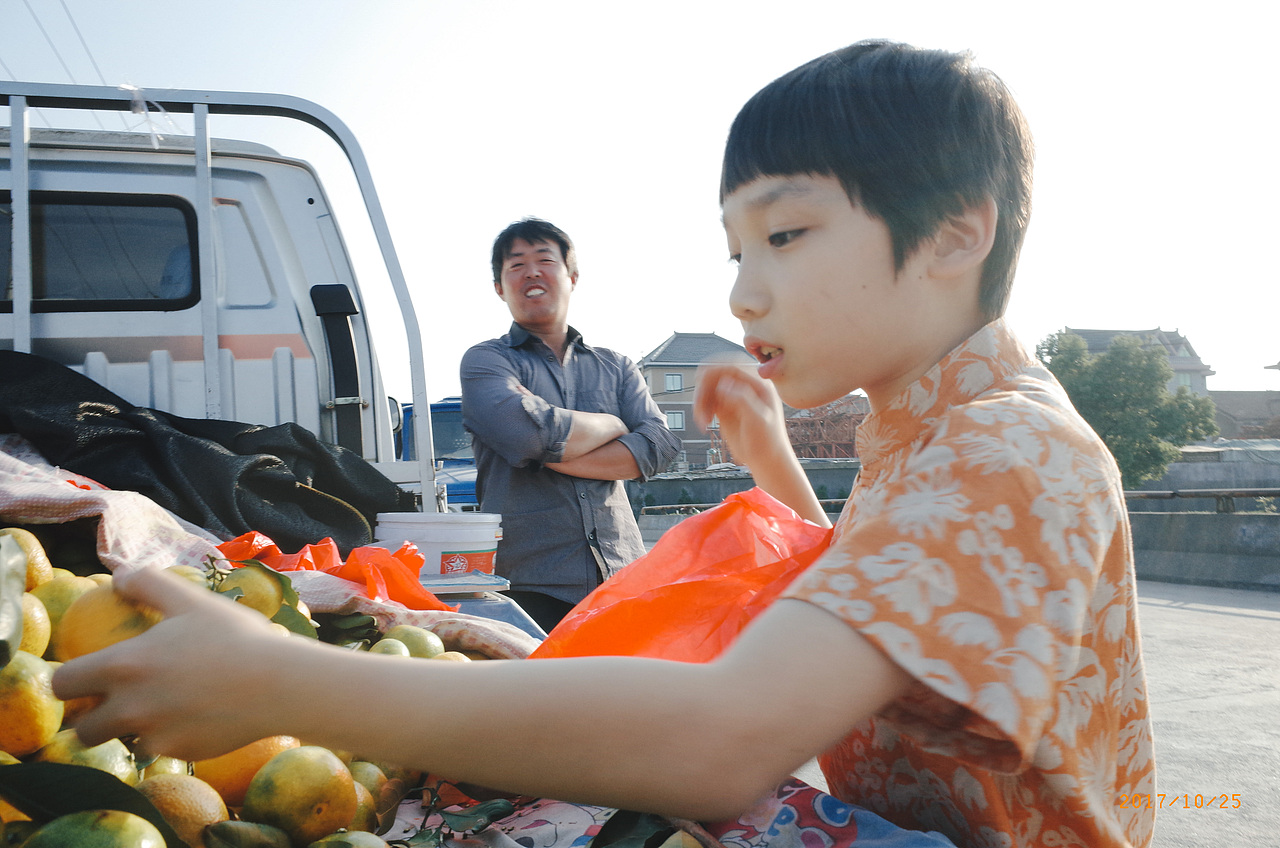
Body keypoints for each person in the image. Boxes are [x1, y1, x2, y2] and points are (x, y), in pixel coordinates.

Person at [54, 40, 1154, 847]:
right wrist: (773, 458)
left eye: (783, 233)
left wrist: (284, 681)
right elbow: (893, 614)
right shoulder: (931, 439)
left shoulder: (1005, 447)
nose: (742, 287)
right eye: (733, 247)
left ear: (958, 228)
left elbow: (721, 740)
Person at [459, 218, 682, 631]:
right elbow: (526, 435)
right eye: (516, 265)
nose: (531, 272)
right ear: (499, 287)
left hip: (623, 576)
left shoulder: (615, 366)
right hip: (526, 587)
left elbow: (660, 445)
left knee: (626, 693)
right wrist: (614, 423)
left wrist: (554, 455)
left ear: (572, 277)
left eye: (545, 259)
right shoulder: (486, 361)